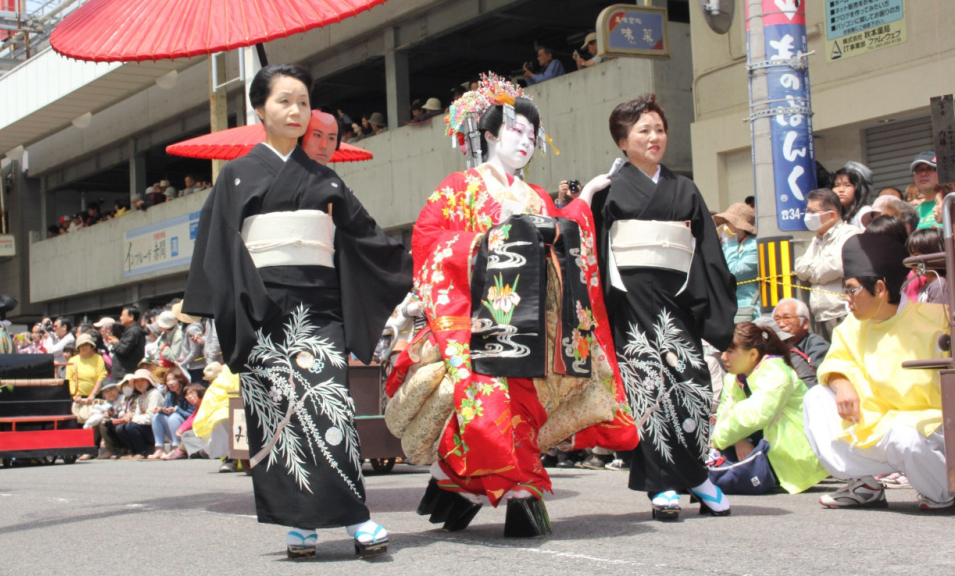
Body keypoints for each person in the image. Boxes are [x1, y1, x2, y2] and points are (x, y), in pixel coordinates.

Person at [392, 77, 638, 537]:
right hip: (477, 321)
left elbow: (562, 234)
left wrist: (583, 202)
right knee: (485, 407)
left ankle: (463, 486)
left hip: (532, 324)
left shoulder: (537, 196)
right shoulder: (459, 188)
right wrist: (485, 238)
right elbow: (429, 242)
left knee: (523, 407)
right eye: (516, 132)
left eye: (532, 135)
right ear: (488, 135)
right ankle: (516, 492)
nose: (526, 143)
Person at [184, 63, 411, 559]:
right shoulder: (238, 176)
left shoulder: (323, 178)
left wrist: (415, 265)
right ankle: (300, 524)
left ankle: (355, 517)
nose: (295, 111)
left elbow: (366, 237)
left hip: (318, 306)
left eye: (303, 102)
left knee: (330, 405)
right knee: (278, 415)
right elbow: (219, 250)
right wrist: (237, 311)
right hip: (260, 306)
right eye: (284, 100)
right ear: (259, 109)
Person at [583, 93, 737, 520]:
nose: (654, 138)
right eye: (643, 131)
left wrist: (715, 314)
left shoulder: (684, 188)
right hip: (629, 303)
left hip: (679, 298)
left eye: (659, 129)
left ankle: (695, 473)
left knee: (693, 383)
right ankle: (666, 484)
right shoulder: (608, 190)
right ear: (622, 141)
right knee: (646, 387)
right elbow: (589, 249)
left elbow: (708, 253)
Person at [803, 233, 954, 511]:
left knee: (904, 437)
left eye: (851, 289)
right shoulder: (851, 326)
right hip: (878, 422)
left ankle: (942, 491)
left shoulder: (937, 319)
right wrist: (841, 383)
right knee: (816, 397)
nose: (846, 298)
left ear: (881, 288)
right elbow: (833, 363)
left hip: (930, 428)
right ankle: (864, 484)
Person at [713, 322, 827, 494]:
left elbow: (755, 414)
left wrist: (717, 439)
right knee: (702, 472)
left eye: (730, 351)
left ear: (752, 354)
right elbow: (723, 415)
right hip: (753, 445)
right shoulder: (733, 377)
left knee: (714, 477)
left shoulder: (776, 371)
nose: (723, 357)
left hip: (790, 459)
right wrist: (738, 440)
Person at [795, 188, 859, 341]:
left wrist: (813, 273)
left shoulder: (850, 234)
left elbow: (835, 267)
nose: (808, 216)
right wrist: (816, 272)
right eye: (807, 211)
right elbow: (800, 268)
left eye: (812, 211)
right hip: (820, 316)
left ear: (831, 214)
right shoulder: (817, 238)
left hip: (841, 313)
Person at [714, 203, 760, 322]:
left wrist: (730, 243)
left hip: (747, 306)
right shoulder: (726, 245)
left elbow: (733, 272)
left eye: (728, 222)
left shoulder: (753, 246)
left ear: (739, 226)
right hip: (728, 305)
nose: (725, 226)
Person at [771, 298, 829, 389]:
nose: (781, 324)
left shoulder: (816, 345)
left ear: (805, 323)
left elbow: (818, 380)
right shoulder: (771, 346)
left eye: (787, 318)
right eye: (777, 319)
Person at [116, 368, 164, 460]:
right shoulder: (141, 396)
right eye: (137, 381)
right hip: (145, 427)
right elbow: (137, 414)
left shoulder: (155, 394)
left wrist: (133, 418)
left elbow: (151, 418)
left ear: (149, 382)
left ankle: (141, 452)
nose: (139, 383)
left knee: (131, 427)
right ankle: (133, 452)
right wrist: (129, 416)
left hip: (156, 429)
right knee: (121, 428)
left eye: (142, 380)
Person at [149, 368, 192, 459]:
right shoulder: (170, 394)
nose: (170, 383)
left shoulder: (189, 392)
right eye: (168, 381)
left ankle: (177, 448)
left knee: (174, 417)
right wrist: (162, 410)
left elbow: (192, 416)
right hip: (174, 428)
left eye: (173, 379)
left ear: (180, 380)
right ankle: (160, 448)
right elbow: (168, 410)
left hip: (187, 429)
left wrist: (177, 410)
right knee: (157, 417)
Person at [106, 306, 145, 382]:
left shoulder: (133, 331)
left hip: (125, 375)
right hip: (123, 373)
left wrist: (116, 342)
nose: (120, 318)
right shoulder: (130, 331)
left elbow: (123, 350)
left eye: (122, 316)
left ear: (131, 317)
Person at [832, 163, 874, 230]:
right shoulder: (835, 214)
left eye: (847, 185)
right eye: (837, 185)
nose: (841, 190)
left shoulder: (865, 212)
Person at [910, 151, 939, 228]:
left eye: (930, 168)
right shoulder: (913, 213)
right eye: (918, 170)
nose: (923, 174)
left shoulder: (950, 204)